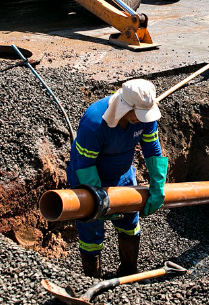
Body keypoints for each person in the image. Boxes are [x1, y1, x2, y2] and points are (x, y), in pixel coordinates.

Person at [67, 79, 167, 278]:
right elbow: (85, 165)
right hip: (88, 178)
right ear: (125, 107)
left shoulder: (145, 118)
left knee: (130, 225)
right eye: (138, 115)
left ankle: (129, 270)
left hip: (122, 176)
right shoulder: (95, 122)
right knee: (91, 233)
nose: (142, 119)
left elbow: (152, 150)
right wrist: (98, 200)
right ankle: (92, 280)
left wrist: (158, 186)